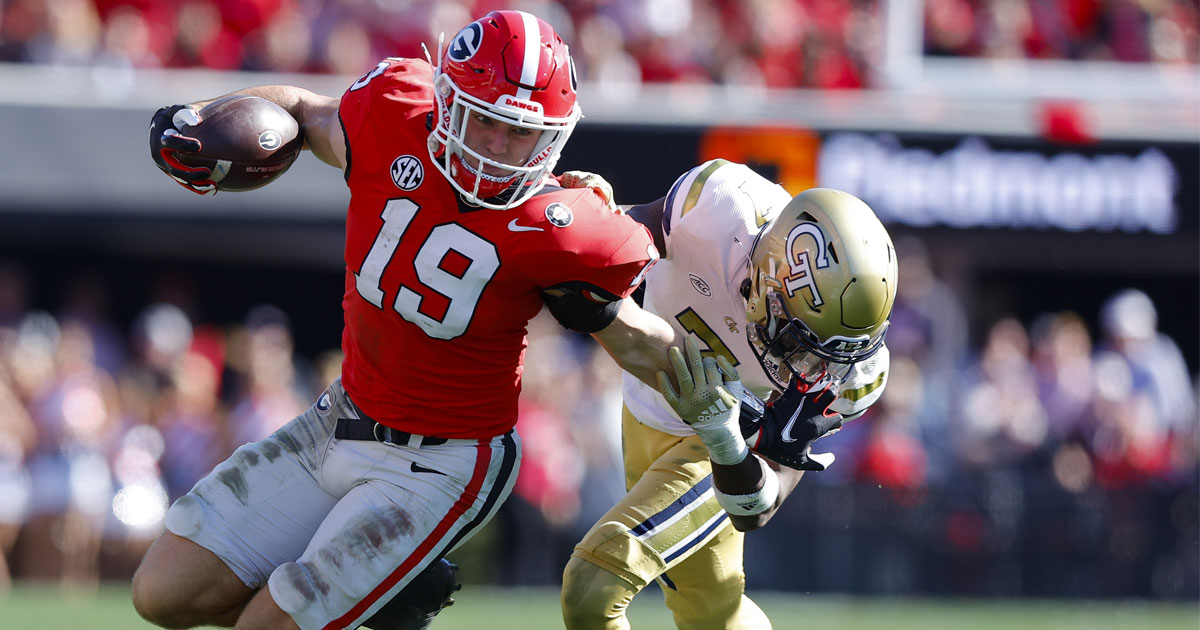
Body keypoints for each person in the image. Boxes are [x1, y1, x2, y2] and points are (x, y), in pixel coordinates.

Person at [133, 10, 673, 630]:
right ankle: (385, 608)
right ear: (446, 99)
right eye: (485, 121)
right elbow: (305, 111)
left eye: (520, 133)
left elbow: (636, 337)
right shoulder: (394, 110)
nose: (496, 148)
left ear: (553, 136)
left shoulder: (568, 229)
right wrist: (198, 117)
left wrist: (722, 395)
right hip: (341, 417)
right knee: (162, 593)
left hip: (445, 461)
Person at [561, 159, 898, 629]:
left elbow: (758, 509)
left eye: (834, 354)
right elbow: (623, 240)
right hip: (644, 406)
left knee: (593, 590)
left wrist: (724, 439)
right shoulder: (719, 208)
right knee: (710, 615)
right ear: (770, 280)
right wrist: (592, 220)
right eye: (802, 341)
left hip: (715, 447)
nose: (817, 369)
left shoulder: (854, 372)